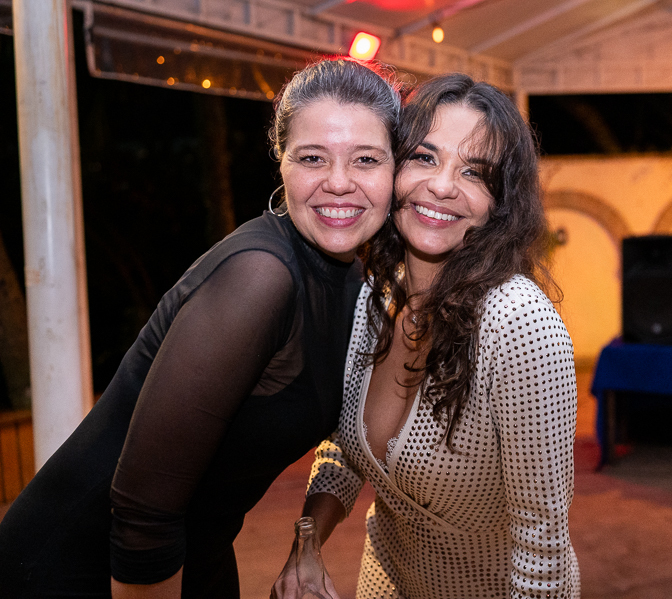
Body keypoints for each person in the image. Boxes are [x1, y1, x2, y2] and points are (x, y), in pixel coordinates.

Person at [0, 58, 400, 598]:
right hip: (80, 571)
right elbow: (142, 507)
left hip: (194, 556)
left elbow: (347, 443)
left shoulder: (354, 284)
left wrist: (307, 543)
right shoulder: (260, 276)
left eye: (366, 160)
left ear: (395, 170)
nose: (338, 182)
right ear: (280, 162)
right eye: (312, 158)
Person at [292, 73, 581, 598]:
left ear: (501, 203)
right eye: (424, 157)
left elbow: (542, 548)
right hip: (385, 577)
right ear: (390, 168)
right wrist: (306, 545)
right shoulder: (373, 296)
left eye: (475, 172)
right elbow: (344, 449)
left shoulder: (518, 325)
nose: (443, 185)